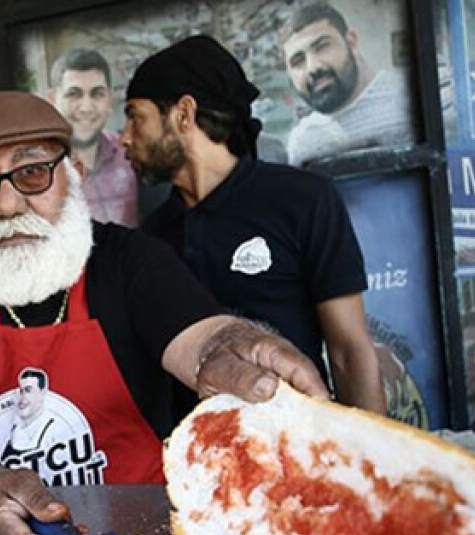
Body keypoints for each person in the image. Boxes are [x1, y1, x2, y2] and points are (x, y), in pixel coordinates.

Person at [0, 90, 327, 535]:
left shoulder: (130, 262)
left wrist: (230, 349)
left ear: (74, 175)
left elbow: (200, 339)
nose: (8, 205)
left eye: (32, 173)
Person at [123, 35, 386, 416]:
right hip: (200, 459)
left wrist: (371, 462)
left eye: (135, 117)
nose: (125, 138)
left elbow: (349, 349)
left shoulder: (302, 200)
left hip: (300, 442)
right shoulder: (151, 239)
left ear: (183, 114)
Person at [281, 4, 414, 166]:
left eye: (322, 47)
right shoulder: (303, 142)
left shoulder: (412, 98)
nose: (313, 67)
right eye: (298, 61)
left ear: (351, 43)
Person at [46, 48, 139, 227]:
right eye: (74, 94)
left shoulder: (130, 154)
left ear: (109, 100)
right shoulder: (39, 170)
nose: (86, 107)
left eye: (97, 94)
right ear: (52, 100)